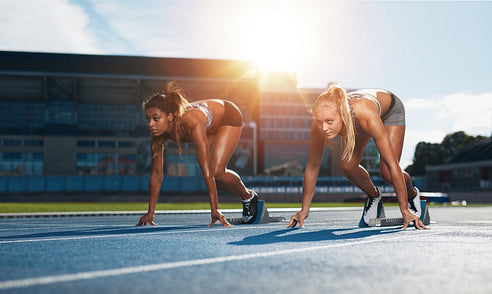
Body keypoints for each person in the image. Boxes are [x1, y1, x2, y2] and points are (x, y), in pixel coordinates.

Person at [287, 84, 429, 230]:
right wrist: (304, 209)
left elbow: (393, 164)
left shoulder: (366, 118)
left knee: (387, 173)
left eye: (330, 121)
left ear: (342, 115)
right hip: (356, 120)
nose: (324, 128)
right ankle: (374, 195)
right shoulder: (321, 124)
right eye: (319, 122)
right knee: (347, 166)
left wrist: (404, 209)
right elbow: (312, 167)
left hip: (389, 111)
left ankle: (412, 194)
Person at [137, 82, 258, 227]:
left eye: (156, 119)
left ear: (169, 116)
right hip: (209, 123)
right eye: (148, 119)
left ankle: (249, 197)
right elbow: (156, 174)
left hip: (227, 115)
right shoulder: (157, 135)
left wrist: (215, 210)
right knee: (216, 177)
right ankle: (246, 196)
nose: (150, 124)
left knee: (216, 172)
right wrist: (150, 213)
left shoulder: (191, 123)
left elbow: (206, 171)